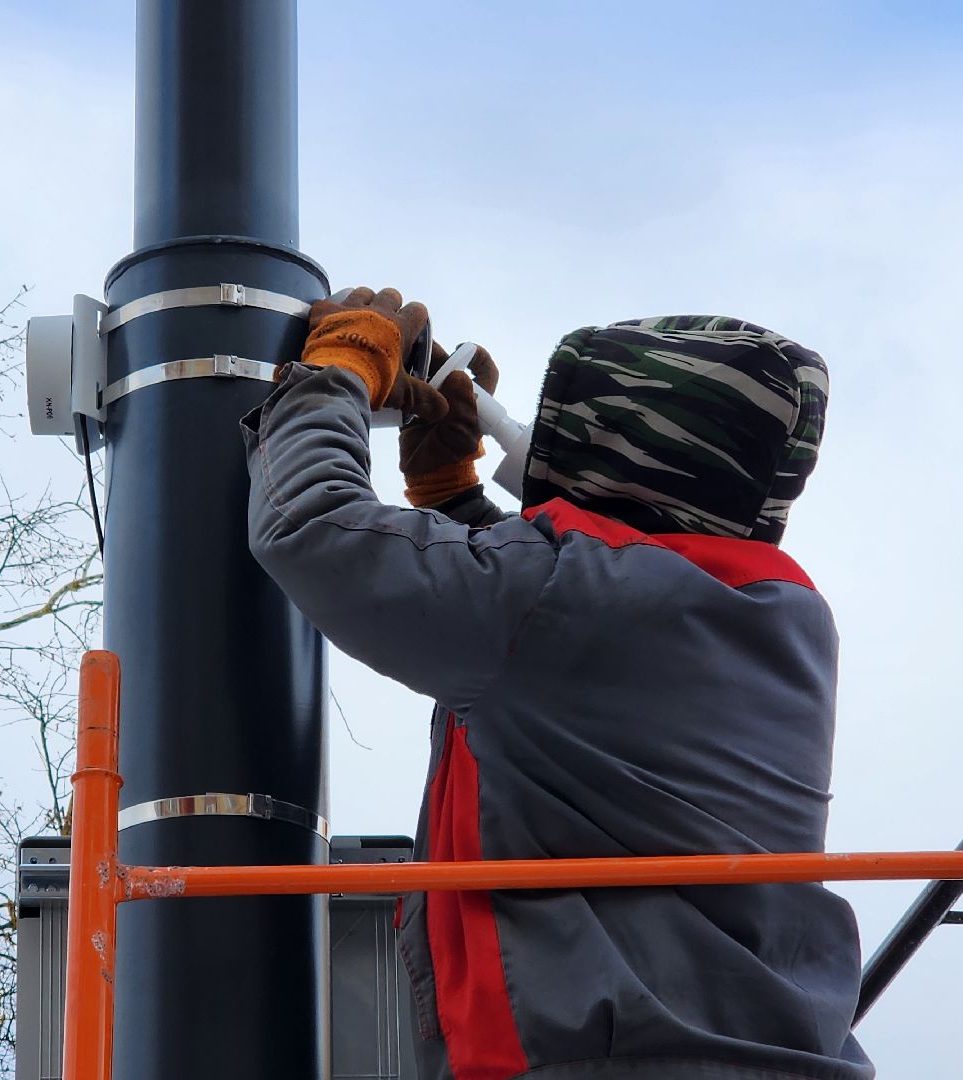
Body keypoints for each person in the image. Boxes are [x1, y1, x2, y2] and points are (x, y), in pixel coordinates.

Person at [241, 286, 874, 1080]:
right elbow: (558, 645)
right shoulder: (781, 616)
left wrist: (332, 374)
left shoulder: (565, 598)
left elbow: (309, 527)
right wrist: (453, 499)